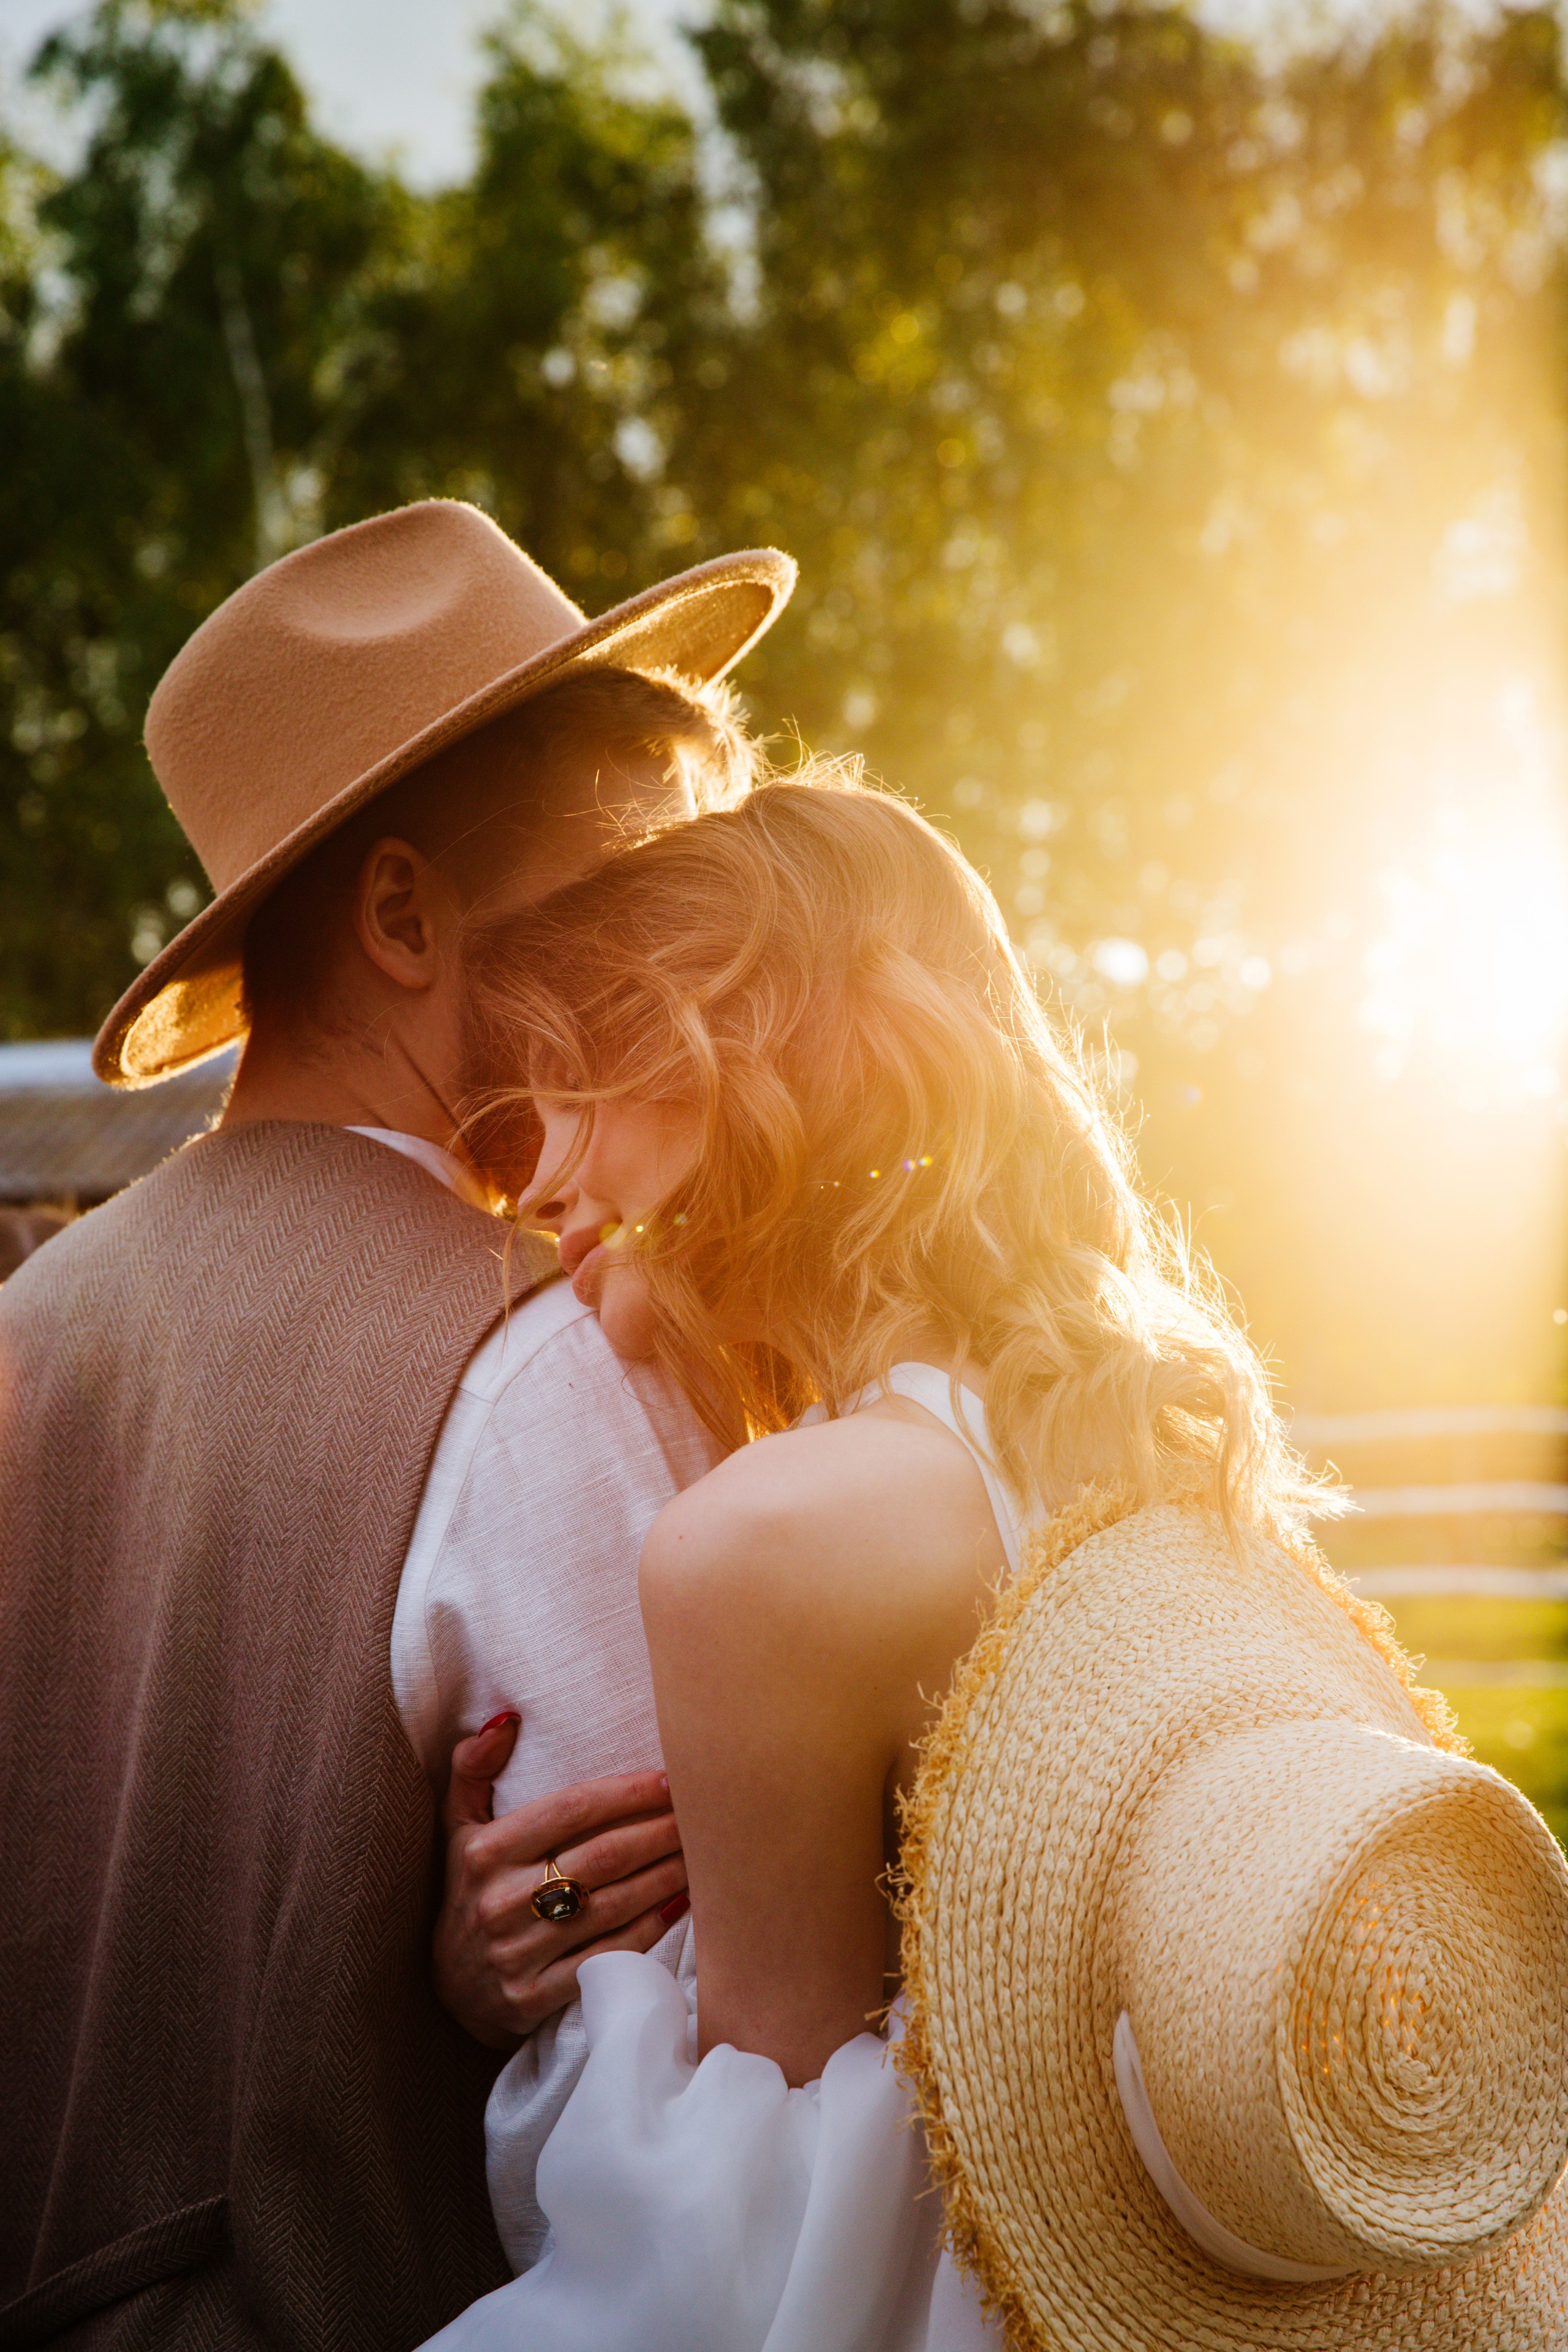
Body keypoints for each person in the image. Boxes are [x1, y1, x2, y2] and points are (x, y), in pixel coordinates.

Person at [0, 497, 794, 2351]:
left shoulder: (27, 1328)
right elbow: (676, 2080)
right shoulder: (536, 1365)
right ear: (405, 917)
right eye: (616, 900)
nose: (668, 971)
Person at [420, 774, 1337, 2350]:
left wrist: (478, 1991)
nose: (541, 1177)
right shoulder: (1142, 1431)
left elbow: (747, 2212)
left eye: (578, 1088)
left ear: (758, 1073)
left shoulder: (760, 1544)